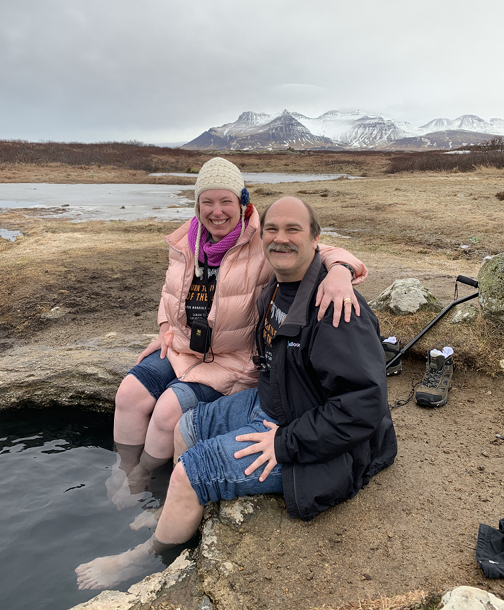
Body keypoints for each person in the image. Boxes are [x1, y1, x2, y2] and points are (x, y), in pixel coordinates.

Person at [76, 196, 396, 590]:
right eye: (272, 230)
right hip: (277, 403)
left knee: (189, 474)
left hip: (317, 442)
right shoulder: (277, 290)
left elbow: (364, 406)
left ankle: (145, 555)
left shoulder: (337, 309)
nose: (280, 239)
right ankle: (173, 511)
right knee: (186, 426)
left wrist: (284, 443)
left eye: (293, 229)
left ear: (316, 239)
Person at [107, 157, 369, 508]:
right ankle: (124, 469)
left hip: (230, 359)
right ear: (197, 205)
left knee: (168, 410)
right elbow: (169, 292)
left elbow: (320, 250)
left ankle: (147, 478)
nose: (217, 212)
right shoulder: (186, 240)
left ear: (242, 203)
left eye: (226, 201)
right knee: (128, 394)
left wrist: (340, 272)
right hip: (184, 347)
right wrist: (166, 327)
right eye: (207, 202)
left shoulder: (264, 239)